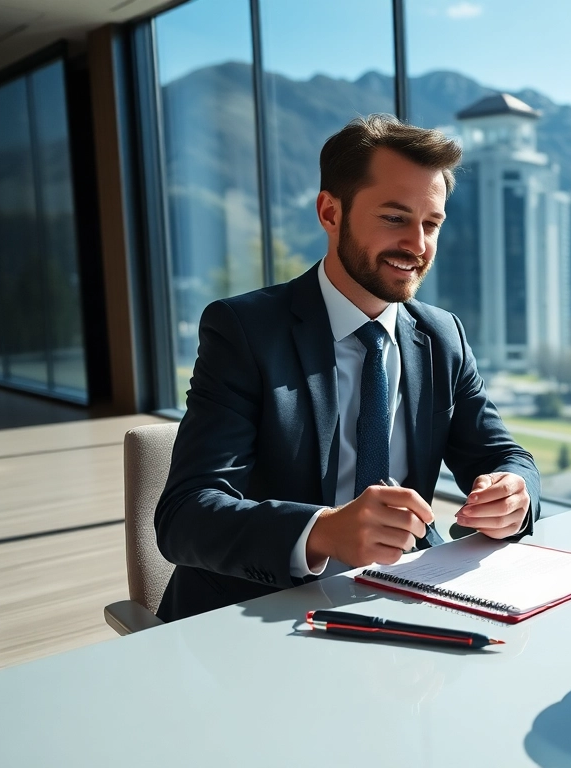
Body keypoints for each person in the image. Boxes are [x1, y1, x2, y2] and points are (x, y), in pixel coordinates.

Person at [154, 115, 541, 622]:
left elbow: (504, 454)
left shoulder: (442, 336)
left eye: (431, 224)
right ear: (330, 212)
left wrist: (515, 492)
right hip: (255, 615)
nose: (418, 245)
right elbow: (186, 516)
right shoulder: (244, 331)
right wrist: (322, 531)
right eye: (395, 218)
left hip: (400, 600)